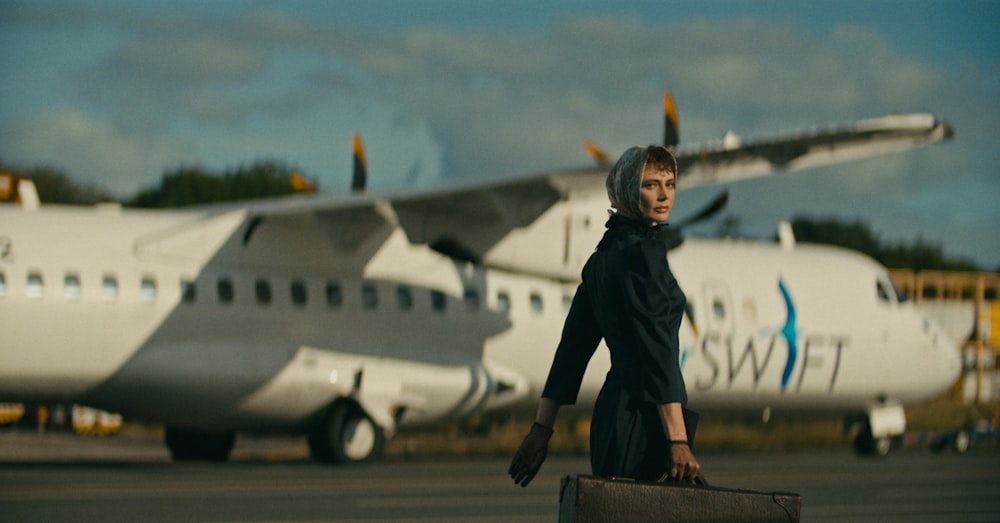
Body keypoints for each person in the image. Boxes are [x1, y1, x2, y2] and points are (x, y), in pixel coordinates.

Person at [508, 144, 699, 487]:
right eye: (650, 184)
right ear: (627, 188)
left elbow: (571, 351)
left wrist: (541, 430)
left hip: (612, 418)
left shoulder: (601, 259)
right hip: (645, 420)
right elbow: (658, 353)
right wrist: (678, 441)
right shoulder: (644, 256)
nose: (664, 195)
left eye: (670, 184)